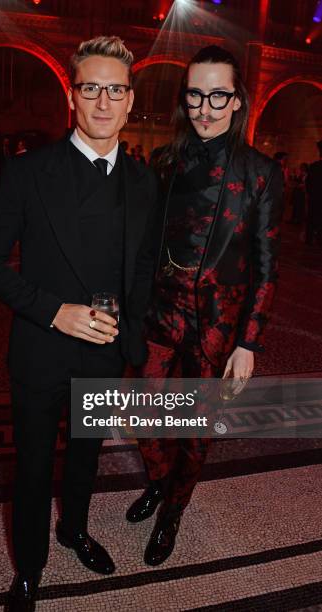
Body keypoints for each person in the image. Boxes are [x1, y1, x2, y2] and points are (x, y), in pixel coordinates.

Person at [0, 36, 157, 611]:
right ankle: (28, 571)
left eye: (116, 90)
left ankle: (74, 530)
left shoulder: (145, 181)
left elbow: (143, 268)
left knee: (84, 457)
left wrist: (132, 336)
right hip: (40, 351)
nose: (103, 101)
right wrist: (54, 311)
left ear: (130, 102)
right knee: (30, 469)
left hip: (104, 352)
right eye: (91, 88)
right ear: (72, 97)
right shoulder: (28, 172)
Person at [126, 45, 283, 566]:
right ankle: (156, 478)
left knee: (195, 426)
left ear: (237, 100)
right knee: (144, 411)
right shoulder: (166, 159)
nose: (205, 106)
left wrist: (248, 342)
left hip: (218, 322)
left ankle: (174, 506)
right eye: (196, 93)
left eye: (219, 94)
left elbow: (265, 264)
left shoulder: (261, 173)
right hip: (160, 309)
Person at [305, 140, 322, 246]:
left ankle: (309, 238)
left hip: (314, 197)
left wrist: (310, 193)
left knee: (311, 218)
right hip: (316, 197)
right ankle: (319, 238)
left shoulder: (313, 166)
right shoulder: (314, 166)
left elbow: (308, 182)